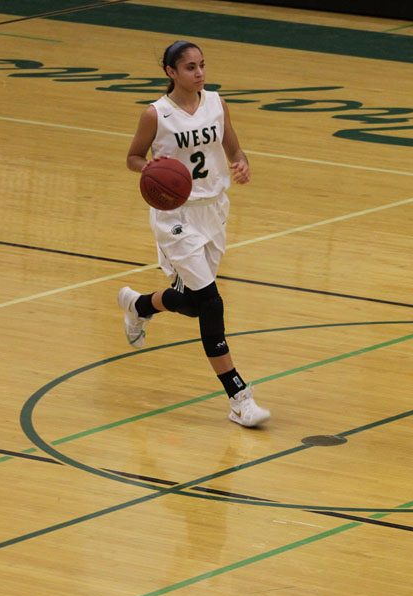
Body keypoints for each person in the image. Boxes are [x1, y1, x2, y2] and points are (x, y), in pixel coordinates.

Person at [119, 40, 270, 427]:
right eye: (190, 67)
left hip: (214, 209)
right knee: (212, 303)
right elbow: (133, 157)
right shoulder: (156, 114)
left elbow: (231, 144)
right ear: (171, 72)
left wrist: (241, 163)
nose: (199, 73)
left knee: (192, 303)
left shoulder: (217, 103)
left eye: (202, 65)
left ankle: (139, 306)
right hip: (176, 216)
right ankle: (239, 398)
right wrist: (150, 167)